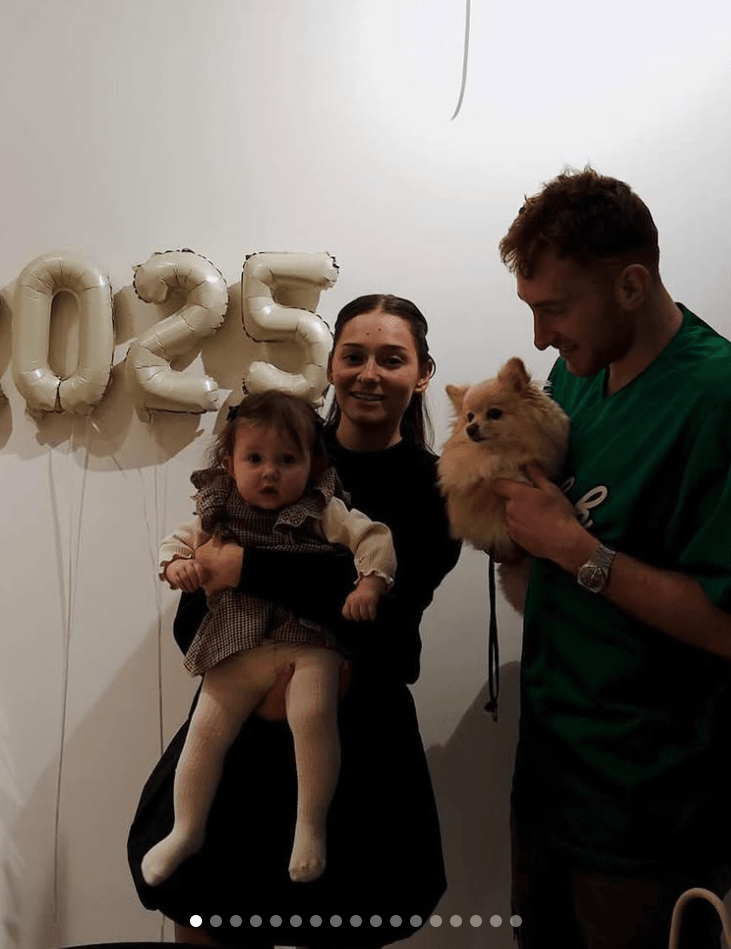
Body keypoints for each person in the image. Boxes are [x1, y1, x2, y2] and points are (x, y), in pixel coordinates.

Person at [493, 167, 731, 949]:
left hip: (656, 810)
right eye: (531, 310)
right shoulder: (576, 381)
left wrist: (575, 546)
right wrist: (514, 545)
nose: (540, 339)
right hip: (553, 787)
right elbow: (554, 588)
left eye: (555, 308)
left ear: (630, 285)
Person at [127, 294, 461, 949]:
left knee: (342, 922)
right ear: (331, 364)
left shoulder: (438, 489)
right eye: (354, 355)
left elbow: (386, 620)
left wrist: (246, 568)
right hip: (241, 740)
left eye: (391, 359)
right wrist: (214, 581)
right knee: (207, 916)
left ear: (421, 373)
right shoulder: (271, 450)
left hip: (357, 744)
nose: (369, 372)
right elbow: (195, 612)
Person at [141, 390, 396, 888]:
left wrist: (370, 581)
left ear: (313, 463)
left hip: (308, 642)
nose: (269, 472)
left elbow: (374, 538)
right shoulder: (217, 510)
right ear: (229, 462)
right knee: (205, 732)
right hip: (238, 642)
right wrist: (179, 567)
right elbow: (175, 543)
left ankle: (309, 828)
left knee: (312, 716)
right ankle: (186, 829)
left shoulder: (325, 508)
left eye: (287, 460)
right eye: (254, 459)